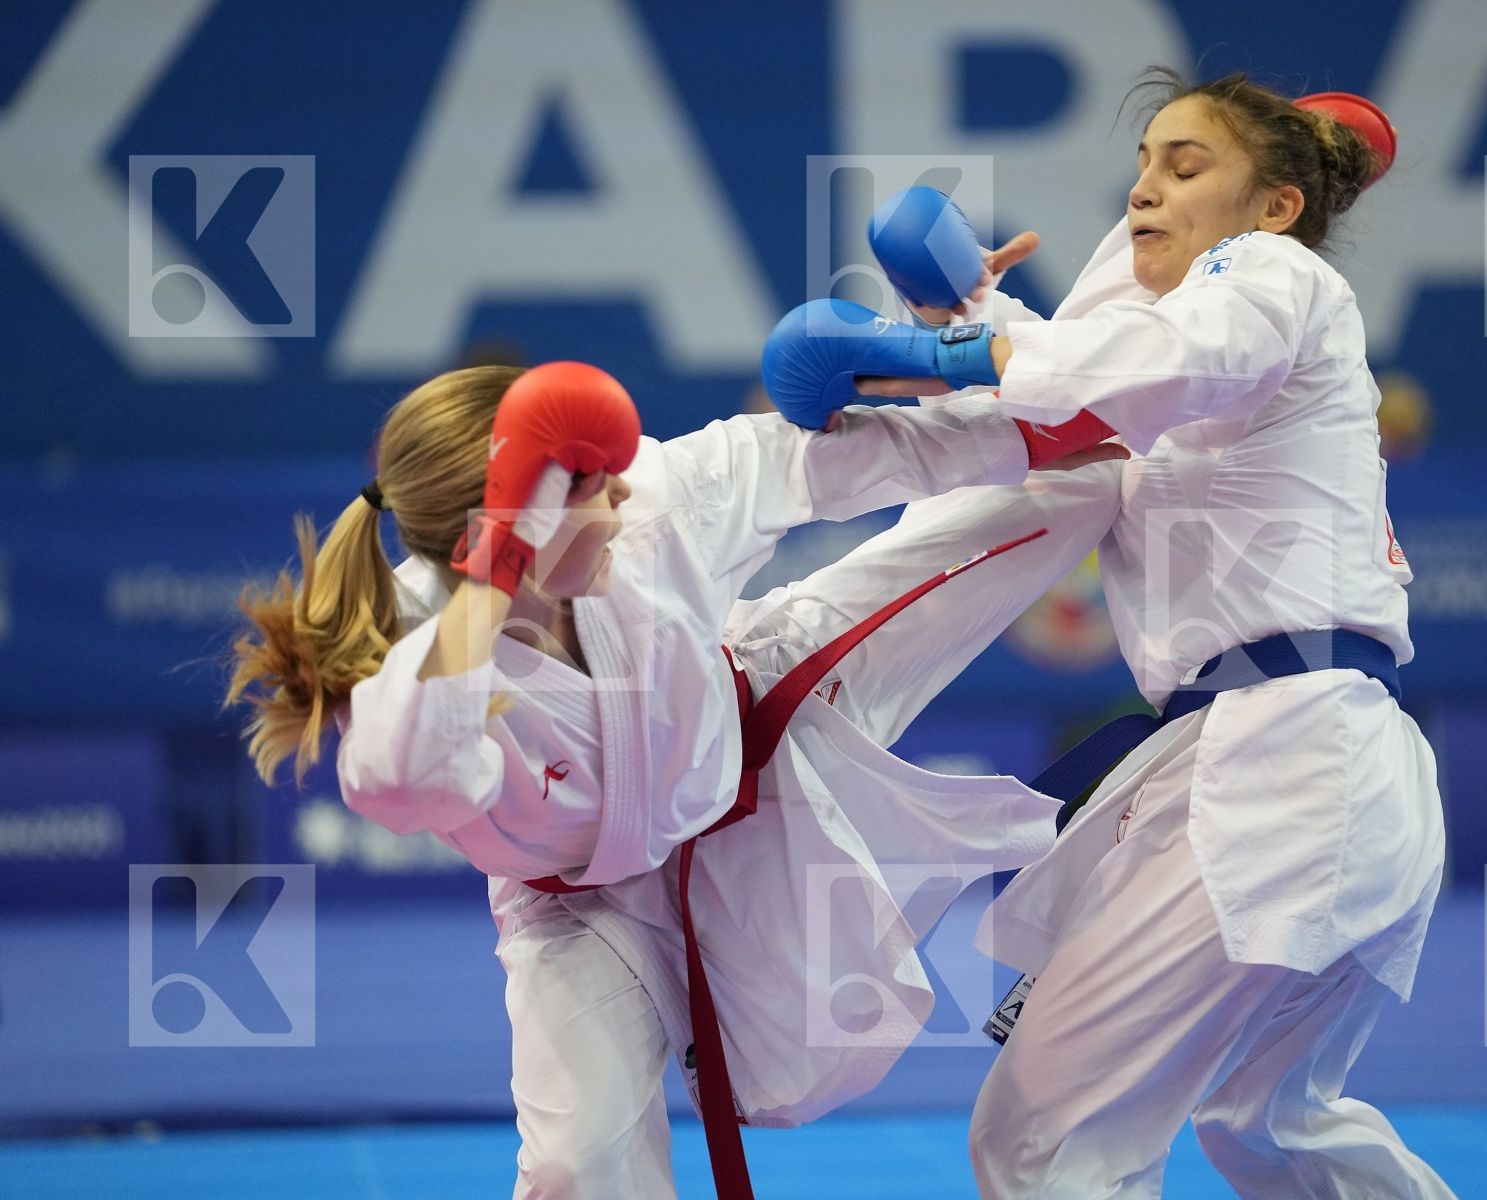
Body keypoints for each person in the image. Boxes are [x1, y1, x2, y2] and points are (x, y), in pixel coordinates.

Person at [761, 72, 1453, 1198]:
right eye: (1140, 166)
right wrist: (971, 316)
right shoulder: (1209, 344)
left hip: (1288, 767)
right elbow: (1099, 402)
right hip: (1309, 761)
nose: (1143, 189)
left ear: (1274, 206)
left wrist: (933, 354)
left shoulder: (1274, 273)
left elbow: (1143, 369)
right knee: (1271, 1124)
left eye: (1185, 168)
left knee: (1046, 1138)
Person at [226, 360, 1126, 1199]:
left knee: (1071, 490)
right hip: (581, 907)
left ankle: (1156, 406)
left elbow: (843, 455)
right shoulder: (405, 650)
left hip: (761, 716)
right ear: (499, 530)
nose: (623, 495)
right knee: (575, 1169)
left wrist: (1056, 403)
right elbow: (395, 779)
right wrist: (496, 579)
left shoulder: (655, 492)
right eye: (592, 487)